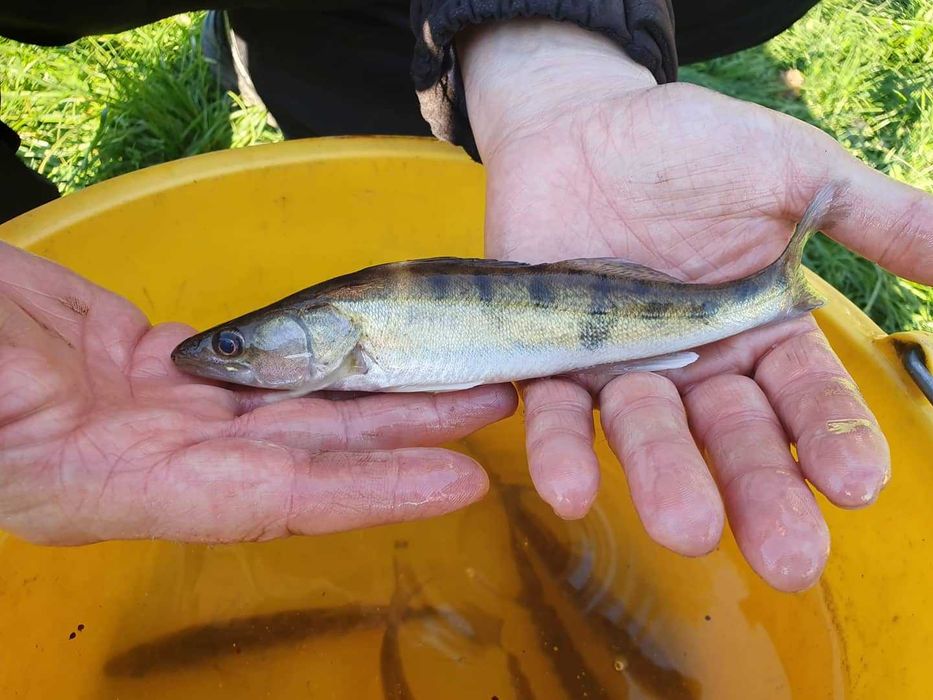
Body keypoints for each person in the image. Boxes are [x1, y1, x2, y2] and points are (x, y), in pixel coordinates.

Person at [0, 1, 931, 593]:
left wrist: (547, 65)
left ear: (323, 334)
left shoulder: (358, 341)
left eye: (237, 347)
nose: (222, 355)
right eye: (235, 350)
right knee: (337, 88)